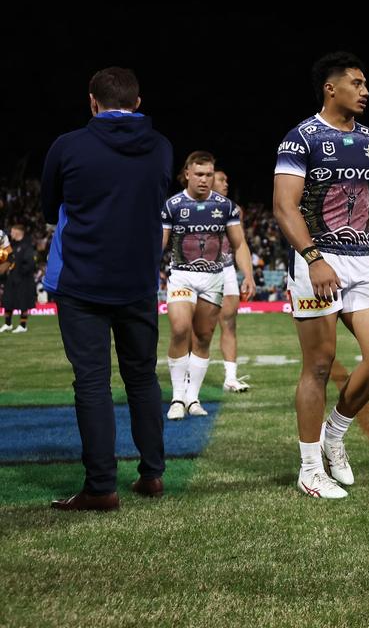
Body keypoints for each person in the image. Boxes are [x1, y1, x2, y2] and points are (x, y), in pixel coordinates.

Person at [40, 66, 172, 511]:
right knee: (142, 377)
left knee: (92, 382)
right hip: (137, 281)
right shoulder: (161, 148)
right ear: (137, 102)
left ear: (92, 101)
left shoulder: (68, 146)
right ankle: (152, 474)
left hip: (81, 281)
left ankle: (101, 486)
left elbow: (48, 208)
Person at [273, 50, 369, 500]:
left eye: (365, 85)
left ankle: (335, 433)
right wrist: (313, 258)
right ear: (331, 88)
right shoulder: (300, 139)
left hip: (363, 260)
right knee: (320, 364)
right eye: (357, 83)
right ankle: (310, 469)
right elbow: (285, 206)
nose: (365, 91)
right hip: (316, 258)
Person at [162, 152, 256, 420]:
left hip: (213, 278)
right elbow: (160, 242)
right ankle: (177, 397)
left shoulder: (226, 207)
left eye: (209, 174)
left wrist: (247, 275)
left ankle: (193, 398)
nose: (204, 180)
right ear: (188, 174)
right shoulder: (173, 205)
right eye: (199, 174)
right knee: (180, 329)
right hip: (182, 275)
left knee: (203, 337)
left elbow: (239, 245)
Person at [204, 169, 252, 392]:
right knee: (199, 328)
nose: (226, 184)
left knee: (229, 323)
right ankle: (186, 378)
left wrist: (248, 275)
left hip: (226, 270)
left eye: (227, 180)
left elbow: (239, 244)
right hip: (199, 271)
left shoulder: (234, 209)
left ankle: (230, 378)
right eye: (222, 180)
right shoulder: (187, 205)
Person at [0, 224, 36, 333]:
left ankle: (23, 325)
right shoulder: (12, 246)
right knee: (7, 300)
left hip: (23, 280)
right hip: (11, 279)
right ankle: (8, 323)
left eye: (12, 231)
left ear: (18, 232)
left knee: (23, 302)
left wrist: (19, 272)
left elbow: (30, 264)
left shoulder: (27, 246)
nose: (11, 234)